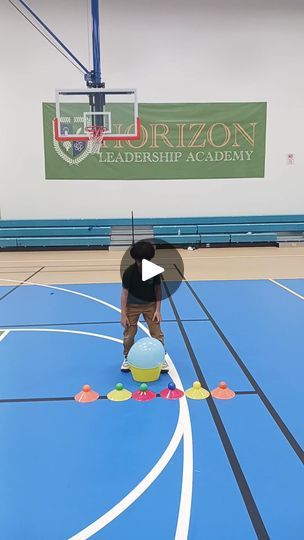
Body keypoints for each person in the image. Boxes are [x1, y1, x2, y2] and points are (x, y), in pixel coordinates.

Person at [120, 240, 169, 372]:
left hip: (150, 305)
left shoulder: (154, 271)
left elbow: (158, 290)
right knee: (129, 335)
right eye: (140, 261)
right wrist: (123, 314)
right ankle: (127, 357)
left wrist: (158, 310)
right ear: (135, 259)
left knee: (157, 333)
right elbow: (124, 294)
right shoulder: (129, 273)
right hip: (132, 306)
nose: (143, 264)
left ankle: (161, 357)